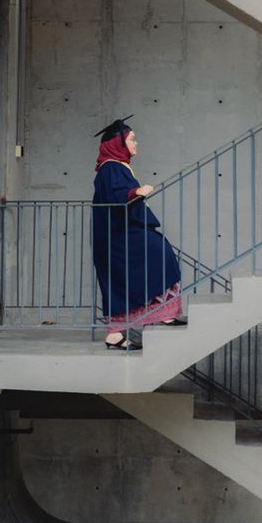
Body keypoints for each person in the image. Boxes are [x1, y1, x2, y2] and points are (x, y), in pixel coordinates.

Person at [92, 117, 184, 350]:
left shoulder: (117, 165)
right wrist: (136, 191)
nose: (136, 143)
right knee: (156, 254)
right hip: (117, 234)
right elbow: (115, 196)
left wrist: (136, 193)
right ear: (117, 143)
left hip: (122, 230)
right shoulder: (111, 166)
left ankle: (161, 313)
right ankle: (115, 333)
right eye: (132, 139)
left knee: (158, 254)